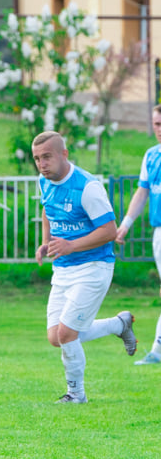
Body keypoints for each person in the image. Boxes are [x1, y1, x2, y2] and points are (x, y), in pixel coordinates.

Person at [33, 131, 136, 404]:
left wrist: (71, 245)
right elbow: (47, 209)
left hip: (94, 266)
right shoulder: (44, 182)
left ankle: (76, 394)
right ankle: (119, 324)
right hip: (64, 269)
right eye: (37, 159)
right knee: (56, 337)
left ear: (64, 154)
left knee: (67, 333)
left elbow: (109, 231)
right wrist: (47, 242)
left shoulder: (87, 187)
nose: (42, 164)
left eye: (47, 157)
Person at [116, 104, 161, 364]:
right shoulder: (151, 156)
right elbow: (142, 192)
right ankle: (157, 351)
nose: (159, 130)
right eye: (156, 124)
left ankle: (157, 351)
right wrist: (126, 224)